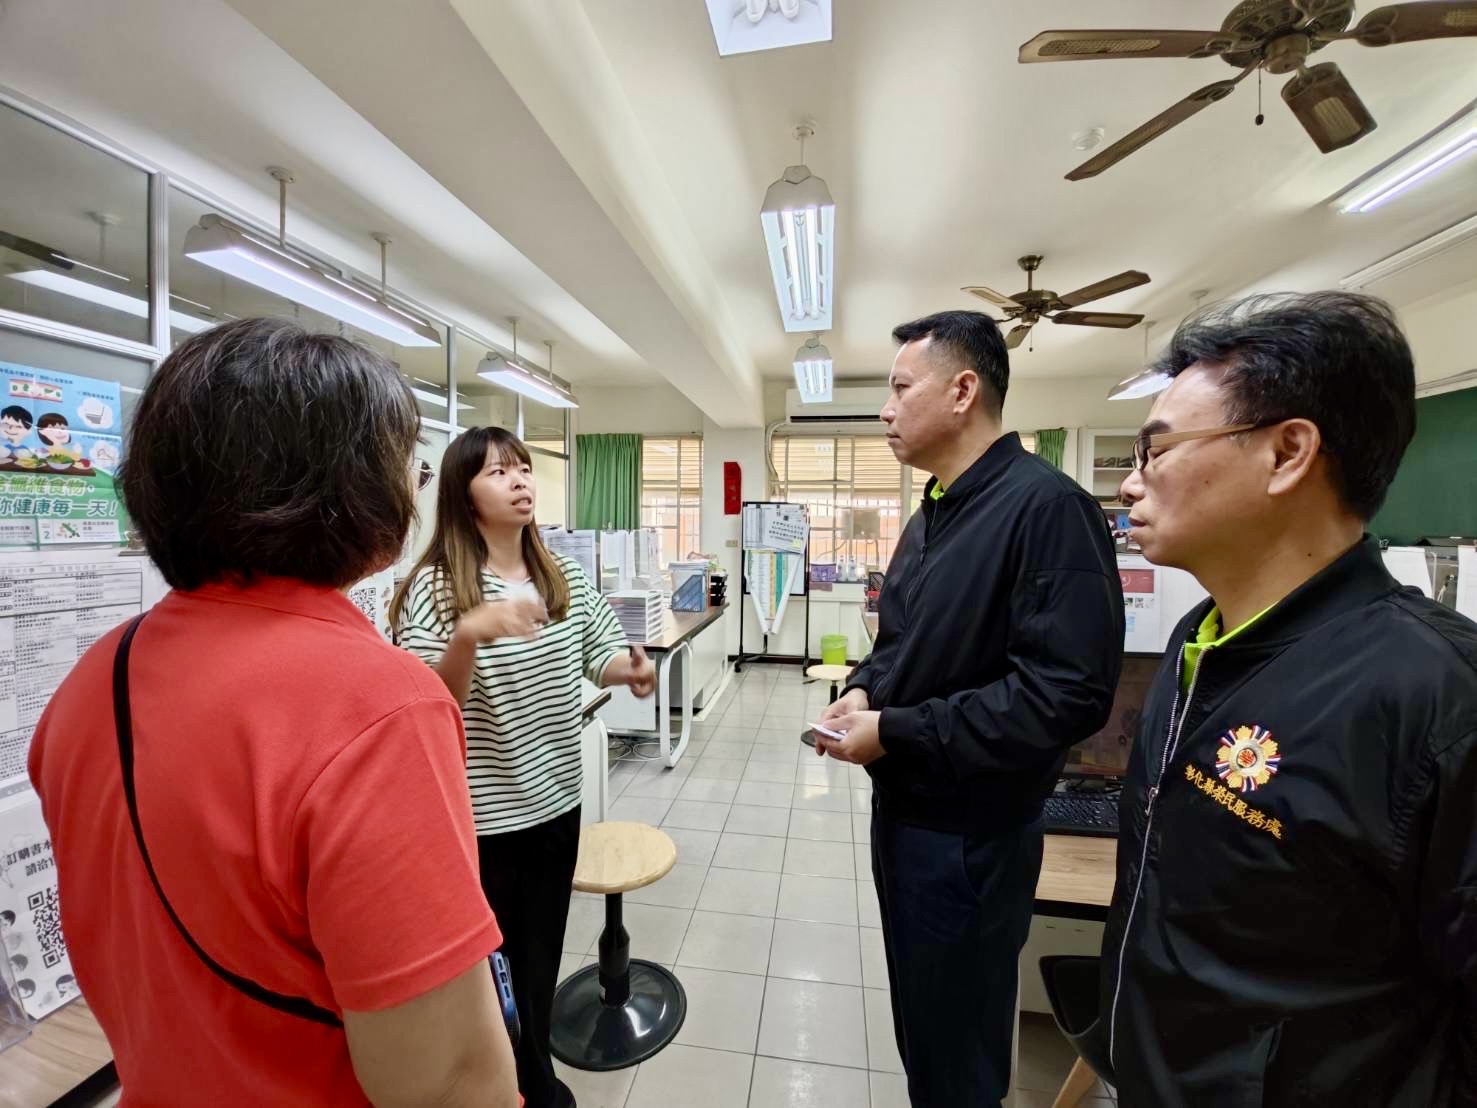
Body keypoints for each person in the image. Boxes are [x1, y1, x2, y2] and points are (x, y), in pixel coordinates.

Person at [28, 318, 520, 1106]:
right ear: (347, 483)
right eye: (409, 469)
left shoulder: (93, 682)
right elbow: (450, 1079)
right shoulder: (375, 706)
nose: (412, 490)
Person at [1092, 292, 1477, 1106]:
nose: (1130, 483)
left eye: (1155, 450)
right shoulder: (1203, 641)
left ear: (1286, 452)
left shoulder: (1435, 697)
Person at [817, 310, 1125, 1107]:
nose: (884, 409)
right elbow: (900, 645)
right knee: (925, 1027)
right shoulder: (932, 512)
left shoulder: (1045, 508)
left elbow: (1068, 692)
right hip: (907, 813)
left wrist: (897, 729)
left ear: (962, 390)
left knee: (959, 1049)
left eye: (897, 388)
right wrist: (862, 691)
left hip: (972, 836)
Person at [390, 426, 655, 1108]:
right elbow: (429, 705)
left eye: (522, 469)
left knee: (539, 957)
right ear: (462, 494)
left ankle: (533, 1075)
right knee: (491, 972)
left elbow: (597, 651)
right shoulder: (437, 588)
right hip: (482, 820)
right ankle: (510, 1086)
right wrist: (467, 634)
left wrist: (629, 670)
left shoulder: (555, 575)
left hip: (555, 802)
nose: (518, 481)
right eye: (496, 472)